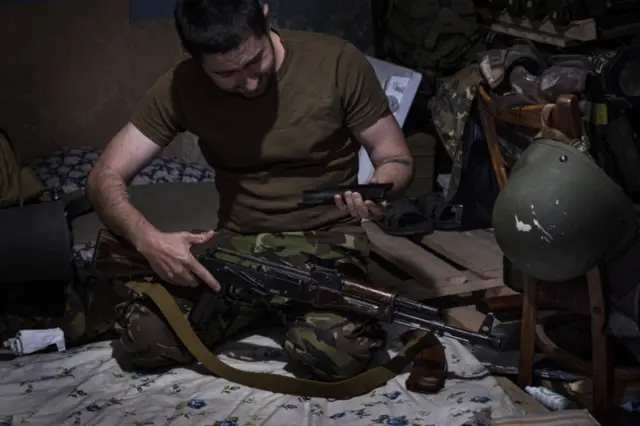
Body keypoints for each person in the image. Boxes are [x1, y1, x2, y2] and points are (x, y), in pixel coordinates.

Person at [85, 0, 414, 380]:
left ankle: (284, 316)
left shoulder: (337, 62)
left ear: (265, 15)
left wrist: (380, 188)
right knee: (144, 334)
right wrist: (146, 239)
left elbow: (396, 156)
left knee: (333, 350)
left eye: (255, 61)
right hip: (237, 245)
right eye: (227, 74)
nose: (250, 82)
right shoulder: (181, 85)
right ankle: (260, 311)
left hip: (328, 241)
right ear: (196, 60)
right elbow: (104, 175)